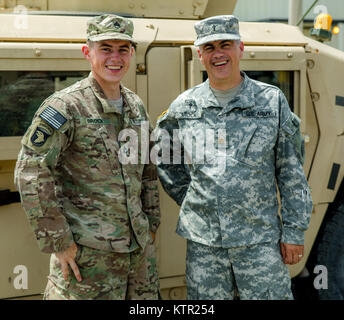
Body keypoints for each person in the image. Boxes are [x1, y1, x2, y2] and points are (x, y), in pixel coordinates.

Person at [155, 15, 313, 300]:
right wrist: (195, 197)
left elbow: (291, 172)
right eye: (209, 47)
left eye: (225, 44)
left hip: (260, 240)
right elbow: (164, 155)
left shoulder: (271, 101)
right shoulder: (185, 106)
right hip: (205, 245)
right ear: (200, 55)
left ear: (240, 48)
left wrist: (294, 231)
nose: (218, 54)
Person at [14, 14, 160, 300]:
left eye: (122, 49)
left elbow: (147, 168)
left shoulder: (135, 105)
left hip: (138, 254)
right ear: (88, 52)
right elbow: (31, 171)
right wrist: (58, 240)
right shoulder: (66, 106)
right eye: (106, 48)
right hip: (88, 258)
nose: (115, 57)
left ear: (132, 53)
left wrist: (151, 222)